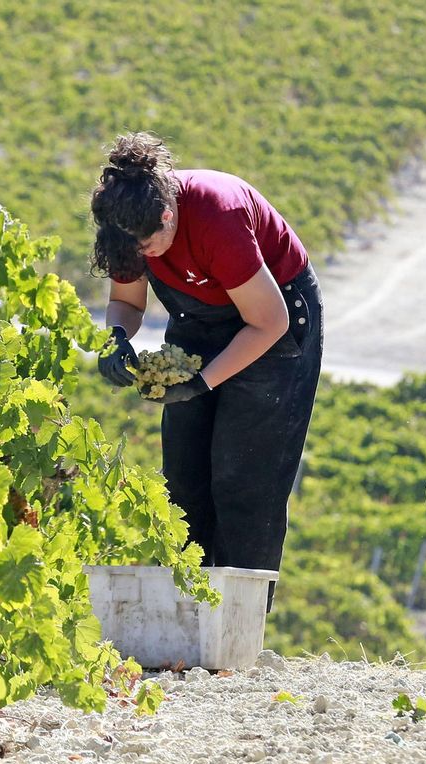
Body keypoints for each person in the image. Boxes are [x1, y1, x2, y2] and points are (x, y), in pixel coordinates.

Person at [90, 132, 322, 578]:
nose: (142, 260)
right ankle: (186, 615)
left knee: (244, 485)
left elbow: (268, 323)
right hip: (200, 321)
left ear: (166, 215)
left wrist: (202, 382)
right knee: (183, 483)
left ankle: (239, 628)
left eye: (148, 250)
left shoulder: (219, 217)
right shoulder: (127, 225)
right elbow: (129, 303)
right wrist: (116, 336)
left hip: (274, 324)